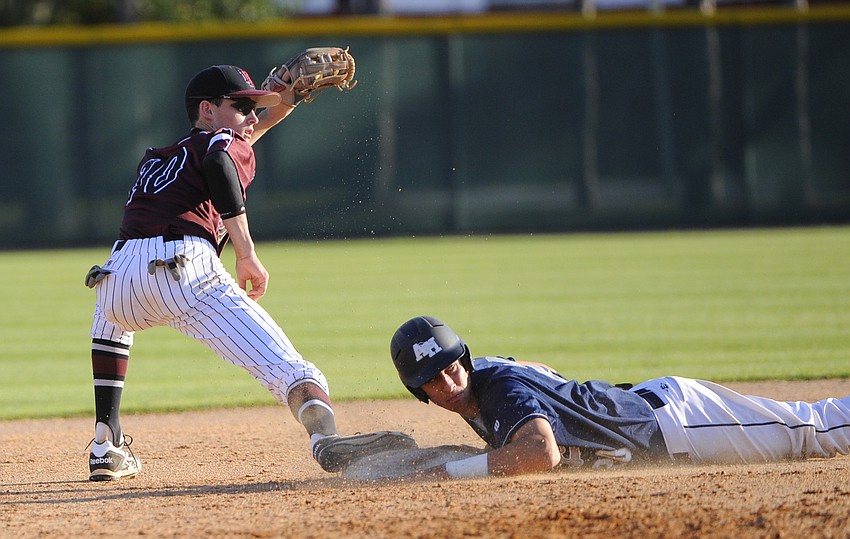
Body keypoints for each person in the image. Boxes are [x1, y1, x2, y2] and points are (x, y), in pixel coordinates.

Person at [85, 64, 415, 481]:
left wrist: (283, 99)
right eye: (242, 106)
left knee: (110, 322)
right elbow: (223, 158)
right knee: (296, 372)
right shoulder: (220, 145)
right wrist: (246, 252)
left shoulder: (164, 156)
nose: (252, 117)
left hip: (115, 276)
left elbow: (232, 143)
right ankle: (324, 439)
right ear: (207, 109)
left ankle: (105, 444)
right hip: (183, 270)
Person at [389, 315, 850, 479]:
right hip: (648, 410)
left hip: (677, 423)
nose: (449, 384)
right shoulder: (487, 378)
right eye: (433, 380)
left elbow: (539, 452)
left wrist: (447, 473)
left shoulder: (499, 389)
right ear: (417, 389)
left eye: (451, 369)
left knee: (810, 431)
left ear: (463, 360)